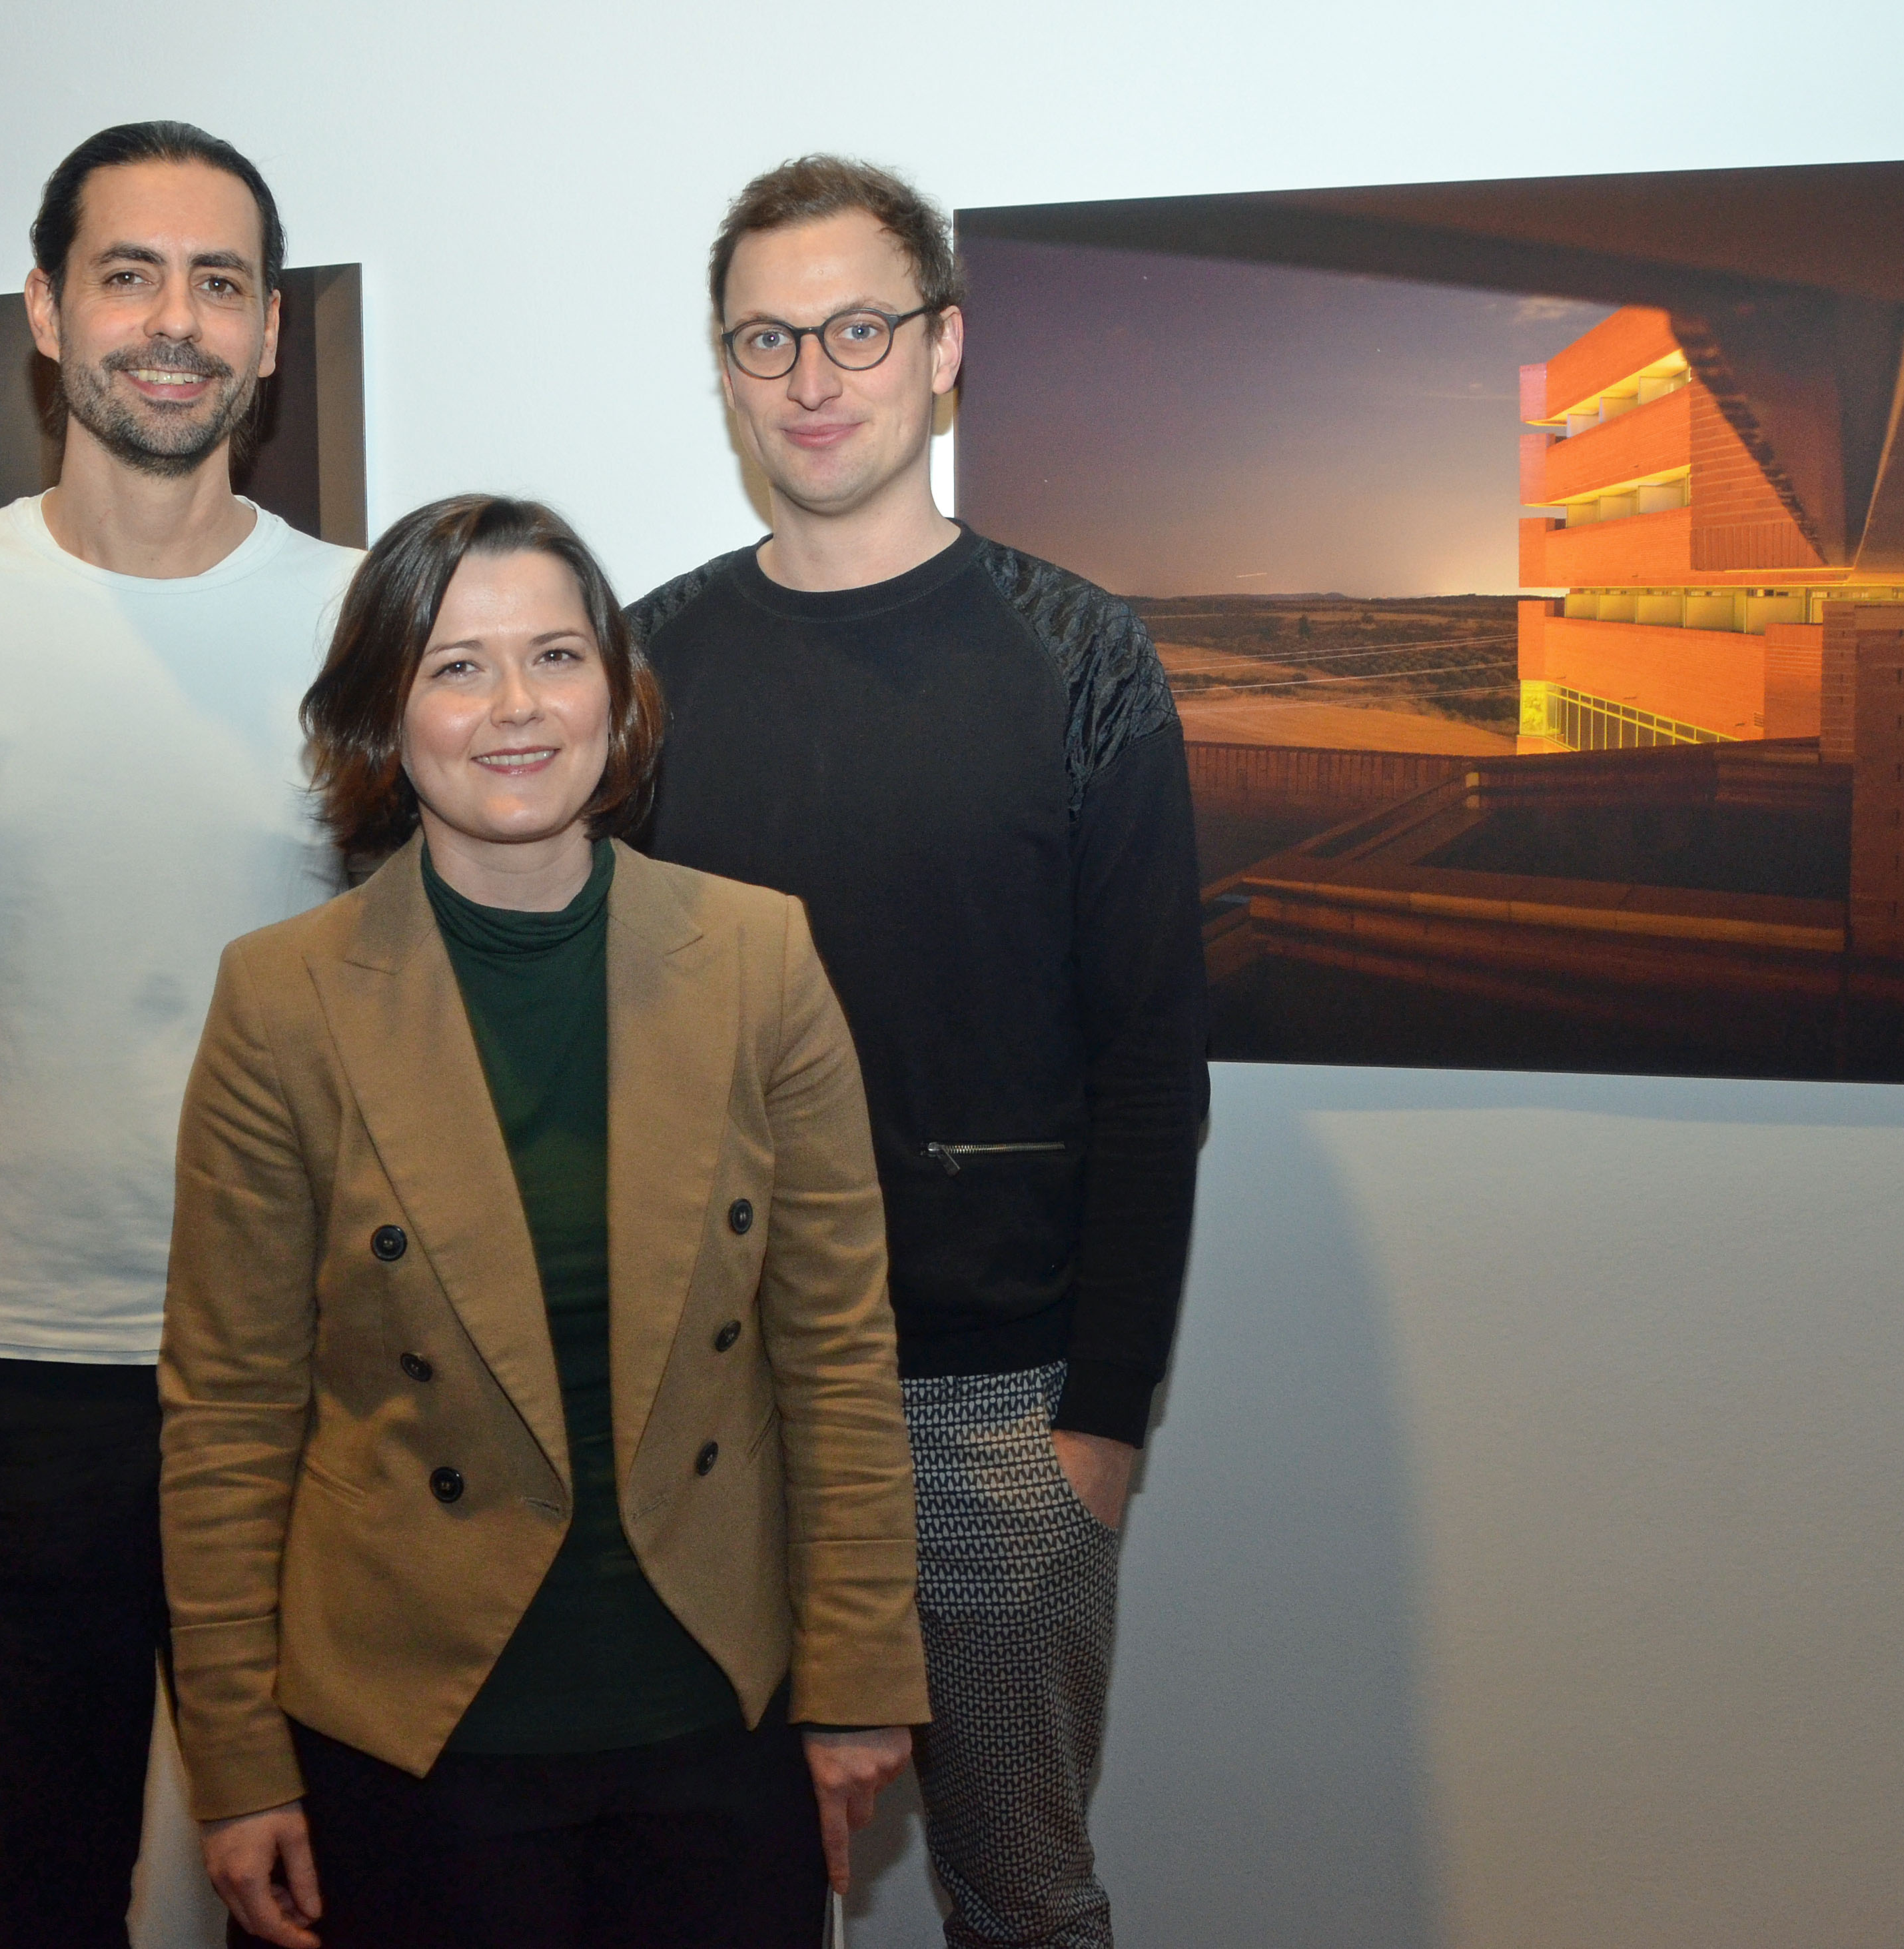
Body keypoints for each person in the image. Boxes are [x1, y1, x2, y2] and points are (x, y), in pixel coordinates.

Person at [160, 494, 929, 1949]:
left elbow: (834, 1354)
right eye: (456, 665)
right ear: (384, 714)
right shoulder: (284, 1000)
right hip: (417, 1730)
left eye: (556, 656)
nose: (514, 707)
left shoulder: (759, 957)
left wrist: (856, 1674)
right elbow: (229, 1414)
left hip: (717, 1701)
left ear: (617, 693)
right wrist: (238, 1759)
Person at [0, 121, 362, 1948]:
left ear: (269, 333)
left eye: (219, 281)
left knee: (335, 1889)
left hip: (315, 1367)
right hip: (0, 1383)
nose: (172, 321)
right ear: (47, 312)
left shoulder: (366, 621)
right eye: (129, 273)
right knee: (41, 1897)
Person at [627, 158, 1209, 1949]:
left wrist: (1099, 1416)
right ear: (723, 371)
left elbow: (1151, 1063)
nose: (814, 372)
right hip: (708, 1406)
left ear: (943, 351)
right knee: (716, 1887)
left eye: (859, 326)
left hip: (997, 1409)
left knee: (1021, 1892)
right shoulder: (639, 667)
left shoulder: (1081, 655)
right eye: (768, 336)